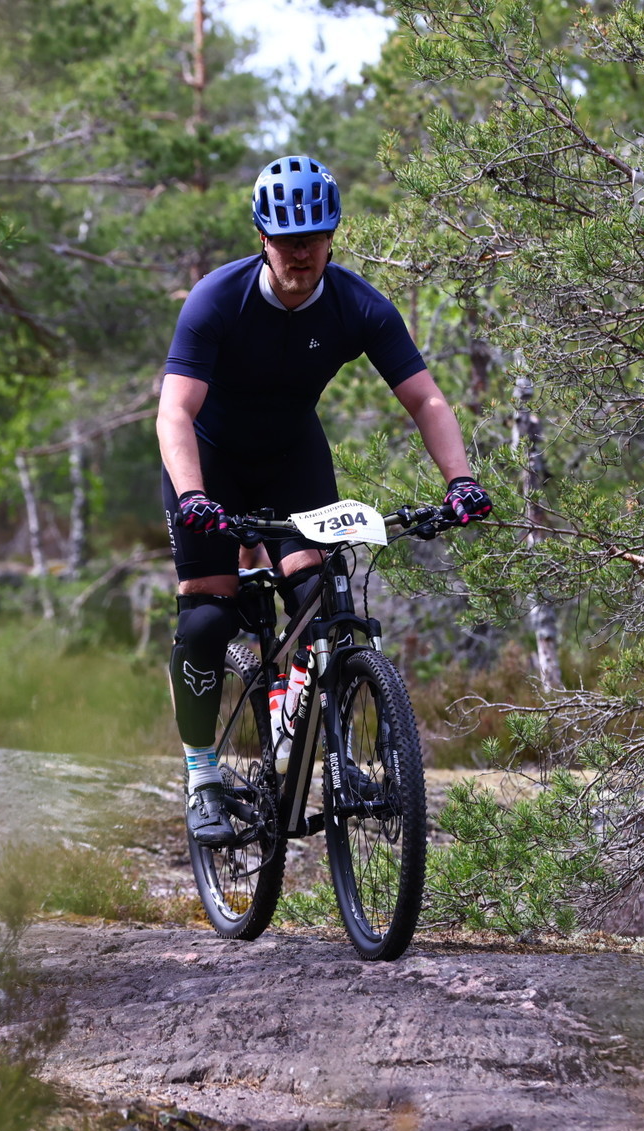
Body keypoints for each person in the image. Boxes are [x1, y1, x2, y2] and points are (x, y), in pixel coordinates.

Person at [158, 155, 493, 845]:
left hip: (291, 459)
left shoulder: (357, 304)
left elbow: (426, 399)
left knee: (321, 595)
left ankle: (331, 754)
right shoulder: (218, 299)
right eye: (286, 239)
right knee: (206, 621)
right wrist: (193, 494)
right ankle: (202, 776)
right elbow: (174, 412)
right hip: (210, 462)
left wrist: (460, 480)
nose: (300, 252)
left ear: (332, 235)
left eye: (312, 237)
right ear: (262, 237)